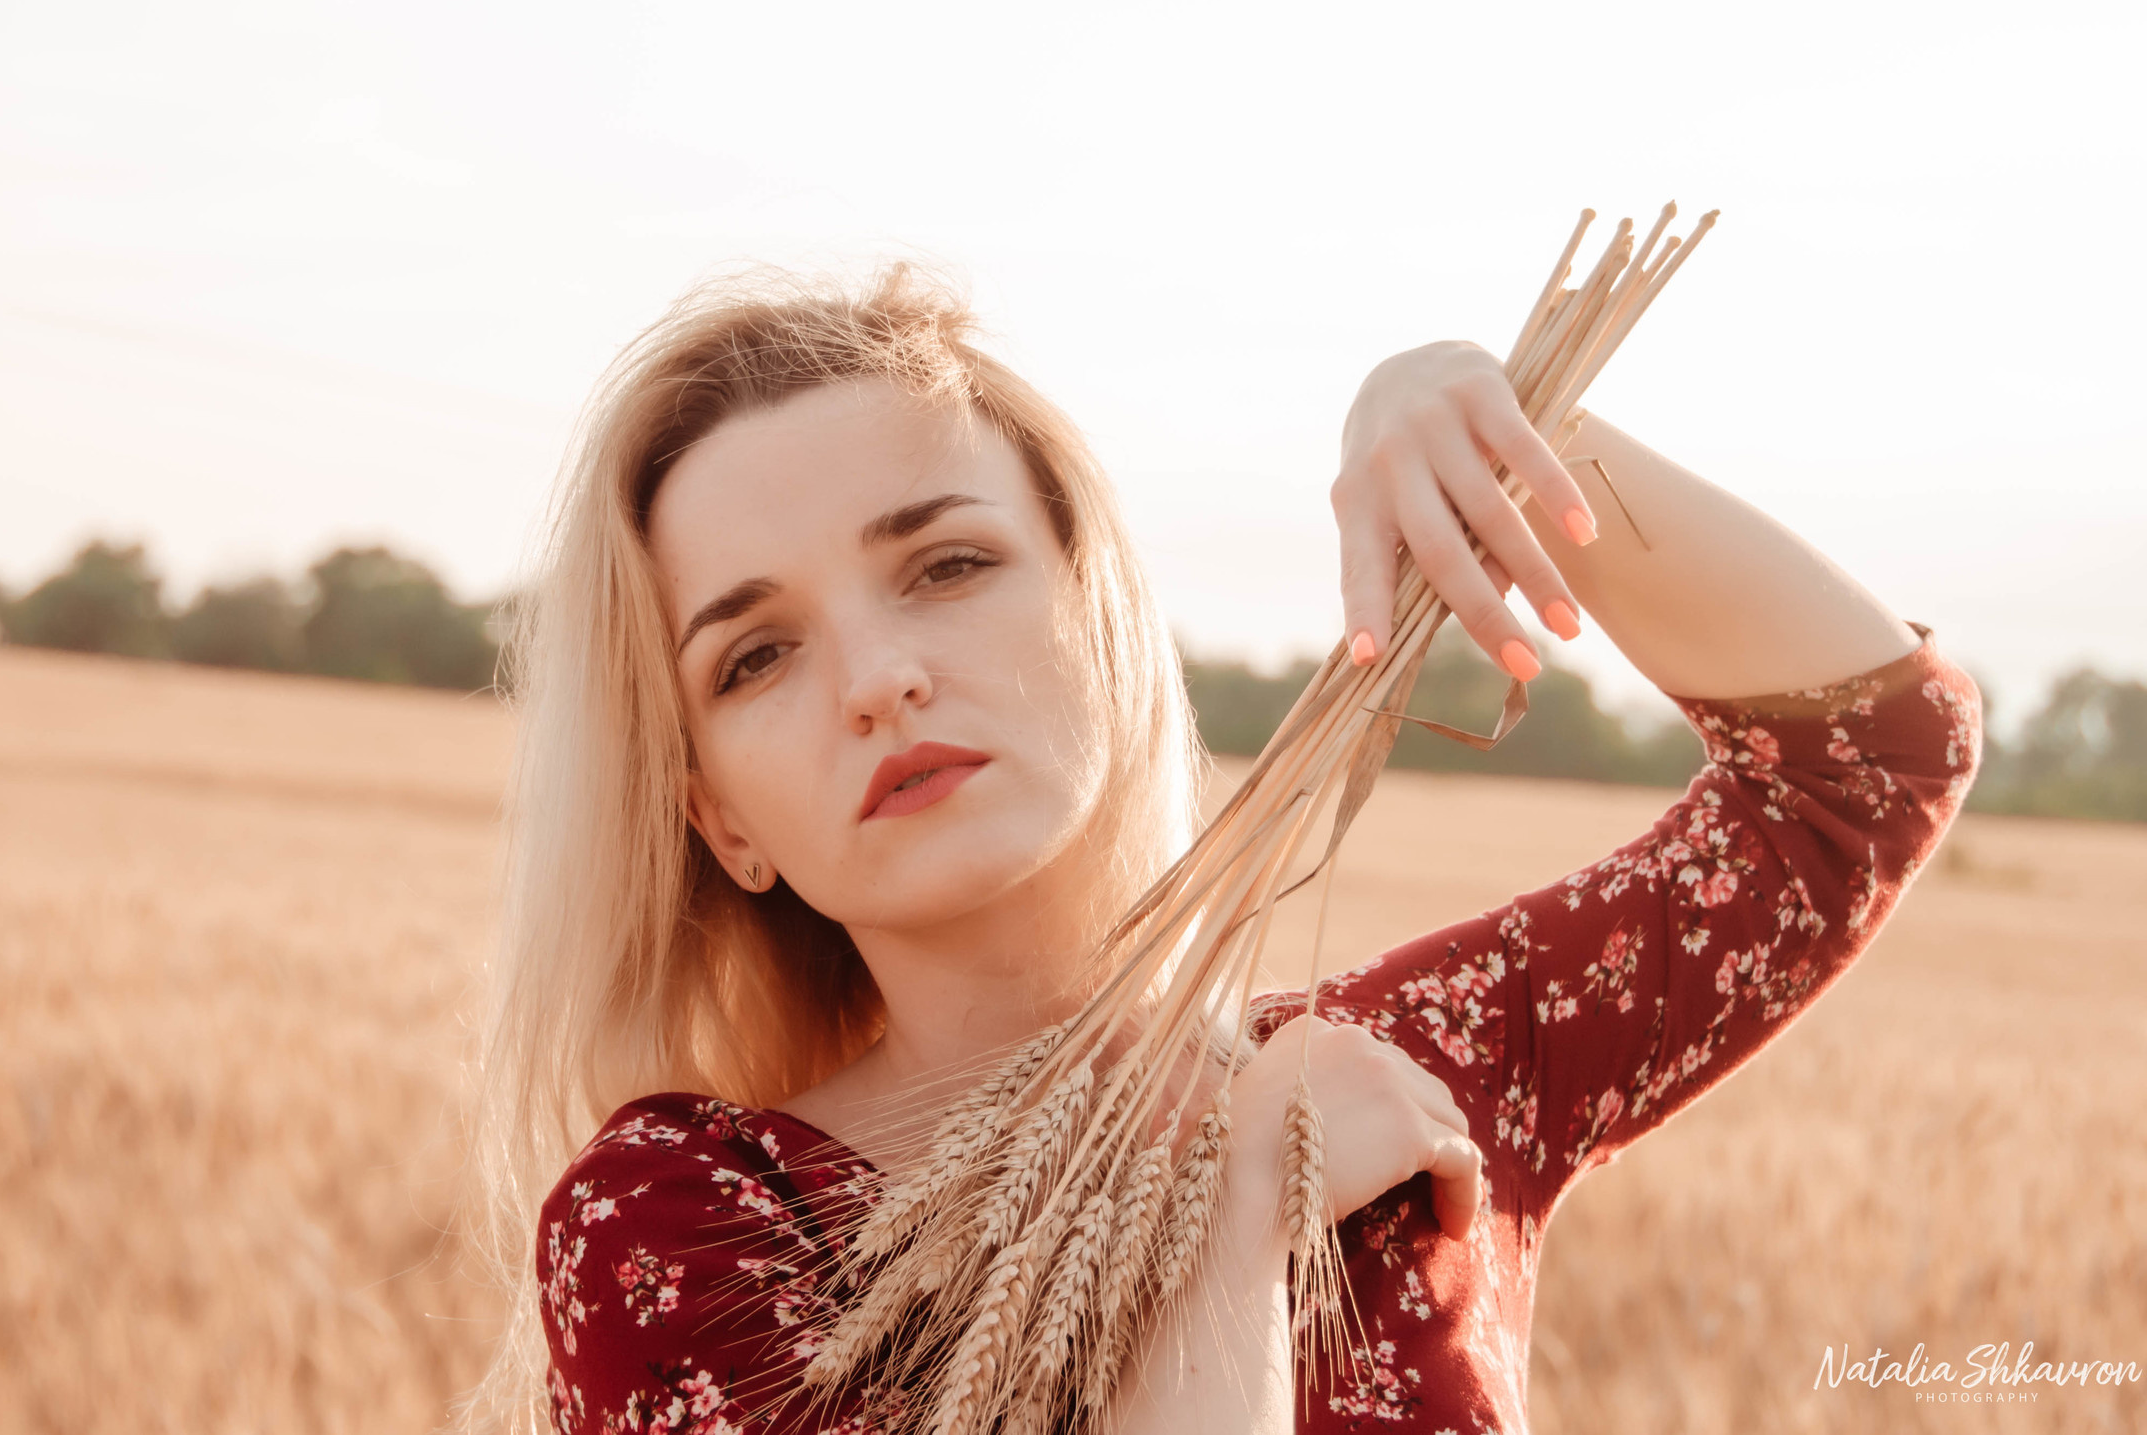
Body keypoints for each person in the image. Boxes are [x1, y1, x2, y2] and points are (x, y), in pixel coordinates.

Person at [465, 262, 1979, 1434]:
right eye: (755, 657)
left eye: (947, 563)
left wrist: (1516, 427)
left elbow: (1860, 772)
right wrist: (1249, 1200)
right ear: (719, 814)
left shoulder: (1408, 1067)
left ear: (1103, 610)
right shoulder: (688, 1231)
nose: (877, 674)